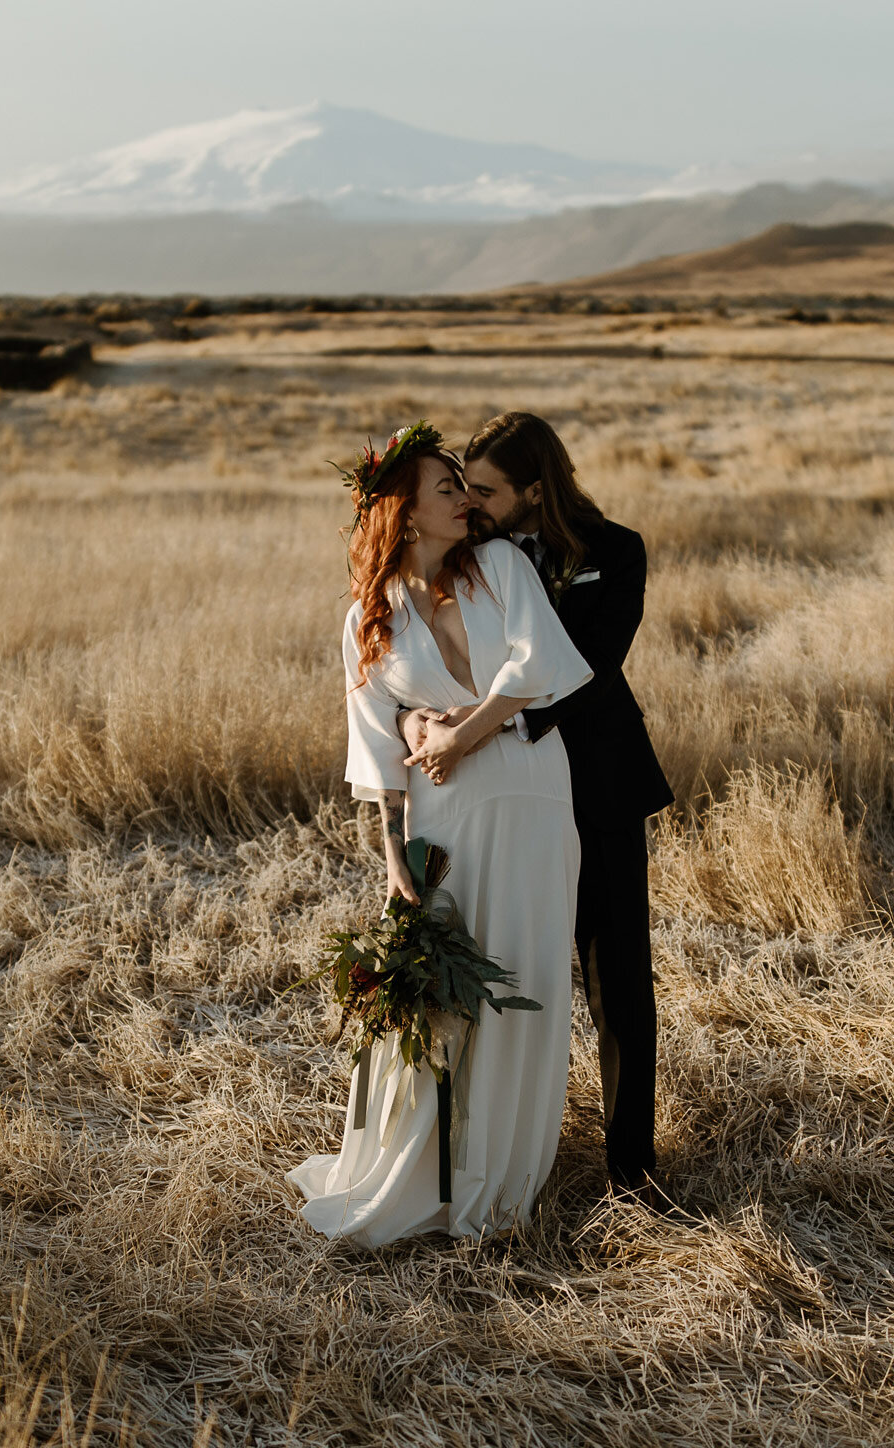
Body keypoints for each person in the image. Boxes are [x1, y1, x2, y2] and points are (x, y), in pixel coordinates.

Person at [291, 422, 595, 1246]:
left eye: (465, 486)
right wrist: (394, 863)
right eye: (448, 490)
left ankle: (502, 1179)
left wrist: (465, 733)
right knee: (450, 998)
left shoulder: (501, 567)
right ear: (406, 513)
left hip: (533, 795)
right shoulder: (366, 621)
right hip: (445, 820)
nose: (468, 500)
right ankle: (429, 1168)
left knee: (527, 981)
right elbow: (377, 753)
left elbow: (537, 668)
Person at [404, 412, 674, 1200]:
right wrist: (421, 723)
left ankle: (633, 1168)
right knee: (498, 966)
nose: (472, 502)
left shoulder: (616, 552)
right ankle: (484, 1153)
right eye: (464, 488)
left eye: (485, 490)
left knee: (617, 976)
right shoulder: (471, 555)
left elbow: (586, 664)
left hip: (600, 786)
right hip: (500, 800)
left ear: (534, 488)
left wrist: (487, 725)